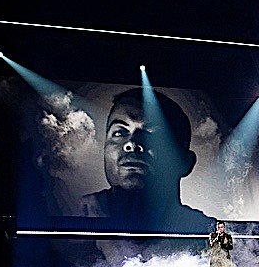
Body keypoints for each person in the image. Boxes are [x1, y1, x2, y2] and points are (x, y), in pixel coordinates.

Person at [80, 87, 215, 233]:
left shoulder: (208, 234)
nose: (131, 144)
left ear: (184, 162)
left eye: (154, 135)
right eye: (119, 132)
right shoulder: (78, 213)